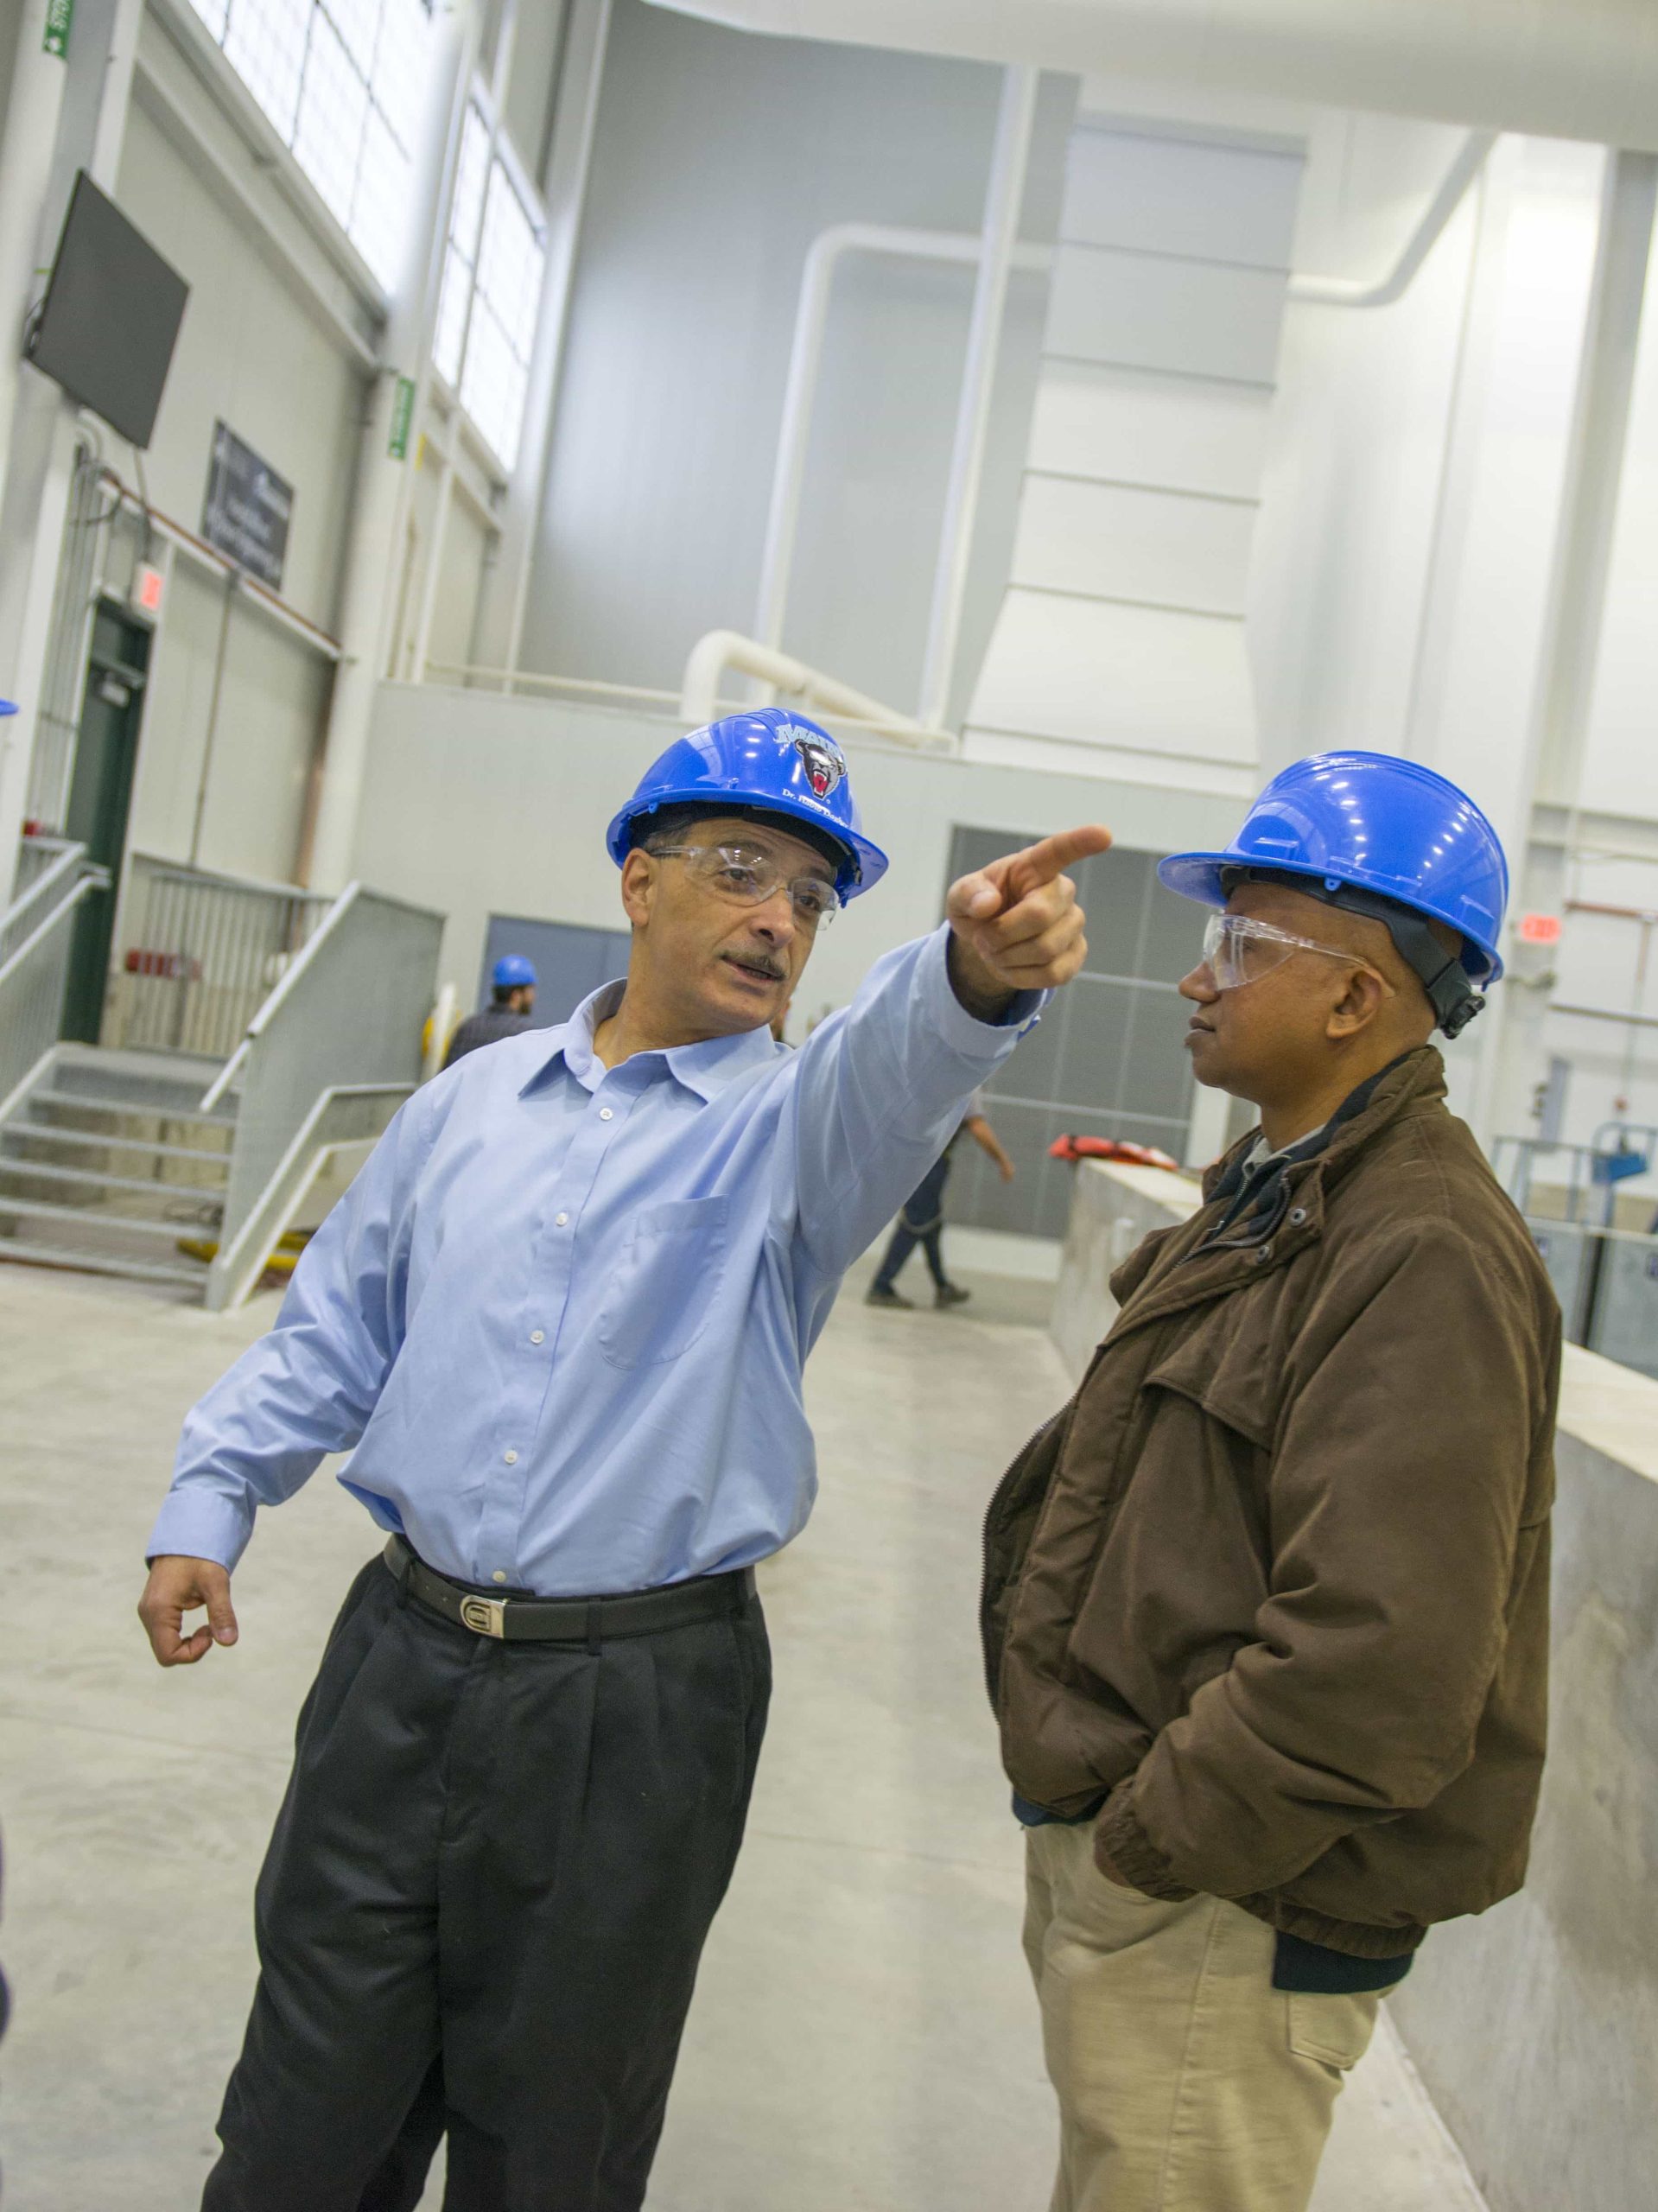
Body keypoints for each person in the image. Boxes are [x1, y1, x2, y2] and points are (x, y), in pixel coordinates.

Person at [137, 704, 1109, 2212]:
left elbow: (898, 1061)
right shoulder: (468, 1108)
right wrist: (211, 1499)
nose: (777, 918)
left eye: (810, 896)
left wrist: (975, 971)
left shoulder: (795, 1135)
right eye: (739, 869)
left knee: (554, 2147)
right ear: (636, 881)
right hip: (398, 1667)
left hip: (637, 1705)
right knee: (300, 2124)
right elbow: (333, 1327)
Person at [981, 750, 1559, 2212]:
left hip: (1224, 1906)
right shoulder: (1273, 1196)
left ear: (1354, 997)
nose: (1196, 977)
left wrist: (1144, 1847)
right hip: (1163, 1873)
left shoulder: (1418, 1251)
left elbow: (1377, 1665)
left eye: (1240, 944)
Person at [865, 1090, 1014, 1309]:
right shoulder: (967, 1085)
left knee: (931, 1225)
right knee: (915, 1224)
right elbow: (977, 1127)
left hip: (920, 1157)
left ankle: (942, 1286)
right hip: (930, 1162)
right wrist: (1003, 1161)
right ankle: (881, 1286)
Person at [441, 953, 538, 1065]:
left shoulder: (468, 1028)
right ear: (516, 995)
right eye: (530, 991)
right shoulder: (525, 1034)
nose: (533, 997)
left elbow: (448, 1072)